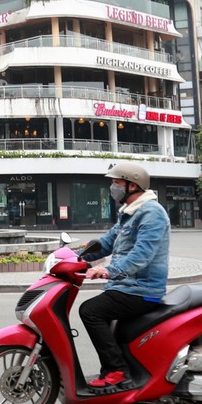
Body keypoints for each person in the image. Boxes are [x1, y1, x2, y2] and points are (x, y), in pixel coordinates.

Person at [78, 162, 171, 389]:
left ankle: (117, 371)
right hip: (124, 287)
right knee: (101, 315)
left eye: (116, 183)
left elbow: (142, 255)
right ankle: (112, 369)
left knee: (90, 311)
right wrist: (76, 258)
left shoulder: (152, 213)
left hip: (141, 289)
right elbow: (106, 243)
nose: (113, 187)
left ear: (132, 185)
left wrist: (108, 270)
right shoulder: (129, 213)